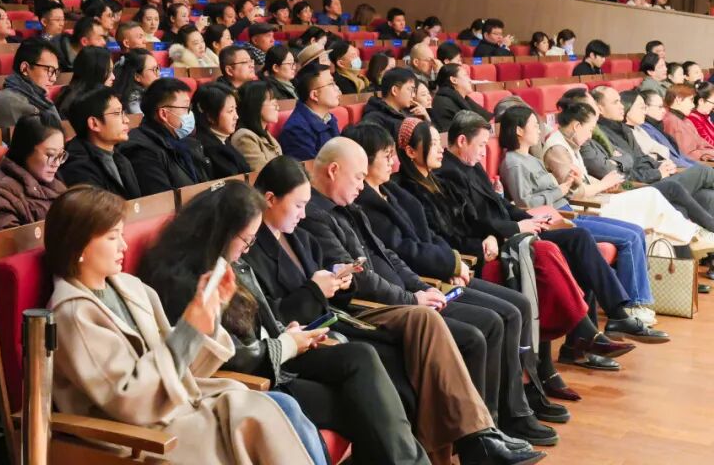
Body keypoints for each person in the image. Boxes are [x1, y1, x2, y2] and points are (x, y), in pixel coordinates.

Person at [247, 153, 543, 464]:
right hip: (310, 337)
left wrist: (341, 282)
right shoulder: (255, 250)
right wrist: (319, 290)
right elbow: (272, 317)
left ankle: (475, 438)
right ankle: (463, 444)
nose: (303, 213)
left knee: (415, 357)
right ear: (270, 200)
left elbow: (382, 258)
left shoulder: (300, 236)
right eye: (297, 205)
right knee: (399, 363)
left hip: (338, 318)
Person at [140, 179, 431, 465]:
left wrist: (287, 332)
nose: (249, 248)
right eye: (246, 239)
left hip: (274, 355)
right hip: (254, 376)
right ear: (221, 231)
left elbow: (264, 317)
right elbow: (228, 356)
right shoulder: (184, 282)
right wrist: (286, 343)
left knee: (361, 355)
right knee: (363, 404)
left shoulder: (232, 262)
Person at [44, 185, 321, 465]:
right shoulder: (74, 313)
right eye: (112, 237)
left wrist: (207, 312)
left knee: (278, 407)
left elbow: (184, 368)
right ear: (78, 246)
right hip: (140, 435)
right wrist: (190, 327)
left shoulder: (130, 287)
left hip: (175, 408)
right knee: (265, 415)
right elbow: (128, 401)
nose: (123, 246)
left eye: (122, 235)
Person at [346, 123, 562, 444]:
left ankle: (519, 403)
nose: (393, 162)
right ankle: (494, 423)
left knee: (518, 305)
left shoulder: (392, 191)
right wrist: (450, 263)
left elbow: (430, 236)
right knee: (495, 320)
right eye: (386, 156)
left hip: (439, 272)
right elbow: (403, 251)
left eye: (393, 155)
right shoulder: (366, 203)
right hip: (421, 282)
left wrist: (455, 260)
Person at [435, 112, 660, 357]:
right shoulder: (449, 173)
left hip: (509, 232)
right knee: (578, 241)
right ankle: (606, 323)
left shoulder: (471, 166)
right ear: (462, 141)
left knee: (580, 243)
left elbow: (503, 206)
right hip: (498, 242)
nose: (483, 152)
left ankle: (596, 331)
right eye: (480, 145)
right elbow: (472, 221)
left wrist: (529, 219)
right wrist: (517, 228)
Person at [498, 105, 660, 327]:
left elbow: (551, 191)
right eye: (534, 125)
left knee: (637, 231)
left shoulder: (532, 158)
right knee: (629, 238)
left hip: (567, 209)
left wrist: (569, 184)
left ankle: (637, 301)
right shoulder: (513, 163)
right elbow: (524, 203)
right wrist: (559, 190)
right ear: (518, 130)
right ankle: (633, 304)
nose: (539, 130)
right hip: (558, 219)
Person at [547, 98, 714, 253]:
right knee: (667, 191)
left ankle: (695, 239)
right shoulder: (564, 148)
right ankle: (695, 234)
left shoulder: (611, 133)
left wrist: (607, 179)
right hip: (604, 197)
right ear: (577, 126)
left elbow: (629, 159)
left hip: (616, 188)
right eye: (590, 129)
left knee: (693, 196)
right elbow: (578, 189)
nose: (591, 135)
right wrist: (604, 183)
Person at [582, 86, 714, 233]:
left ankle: (708, 241)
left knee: (705, 195)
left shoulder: (624, 129)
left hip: (648, 179)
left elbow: (639, 158)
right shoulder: (598, 136)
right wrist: (657, 173)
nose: (621, 106)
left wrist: (660, 166)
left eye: (620, 101)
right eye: (615, 102)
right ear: (599, 108)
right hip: (633, 187)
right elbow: (620, 174)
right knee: (703, 171)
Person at [0, 114, 66, 232]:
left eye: (60, 155)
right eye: (50, 155)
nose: (57, 163)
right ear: (26, 149)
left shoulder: (50, 179)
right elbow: (11, 243)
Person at [120, 78, 209, 195]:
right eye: (186, 108)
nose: (190, 114)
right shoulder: (142, 151)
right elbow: (162, 199)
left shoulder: (184, 143)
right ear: (163, 114)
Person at [61, 86, 141, 199]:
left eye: (123, 113)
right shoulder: (78, 169)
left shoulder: (120, 158)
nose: (126, 120)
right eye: (117, 113)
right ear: (94, 124)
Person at [0, 39, 61, 128]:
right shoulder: (9, 102)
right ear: (25, 68)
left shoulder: (40, 99)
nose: (53, 78)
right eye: (49, 70)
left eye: (55, 72)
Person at [277, 63, 340, 161]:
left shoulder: (328, 118)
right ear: (314, 95)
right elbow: (310, 167)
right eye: (331, 84)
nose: (337, 88)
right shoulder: (296, 130)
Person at [190, 83, 250, 179]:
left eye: (235, 109)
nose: (236, 116)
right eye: (230, 111)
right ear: (210, 116)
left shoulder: (222, 140)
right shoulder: (208, 148)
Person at [361, 68, 430, 138]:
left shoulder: (407, 113)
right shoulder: (374, 119)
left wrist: (427, 118)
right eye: (411, 90)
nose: (414, 95)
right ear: (394, 90)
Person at [53, 46, 112, 117]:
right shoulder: (82, 104)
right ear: (94, 72)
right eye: (109, 71)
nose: (113, 77)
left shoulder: (72, 93)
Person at [660, 84, 714, 161]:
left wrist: (708, 152)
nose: (693, 105)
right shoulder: (672, 122)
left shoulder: (684, 120)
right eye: (691, 100)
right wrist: (707, 153)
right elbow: (686, 155)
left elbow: (702, 143)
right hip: (693, 164)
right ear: (678, 99)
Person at [432, 63, 491, 133]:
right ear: (454, 80)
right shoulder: (442, 102)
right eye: (465, 75)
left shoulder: (462, 98)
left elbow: (487, 118)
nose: (470, 80)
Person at [112, 48, 160, 116]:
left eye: (158, 68)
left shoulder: (150, 94)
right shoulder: (133, 101)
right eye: (154, 69)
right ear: (137, 76)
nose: (158, 74)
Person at [686, 81, 714, 146]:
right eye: (713, 103)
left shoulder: (704, 116)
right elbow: (707, 143)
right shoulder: (693, 119)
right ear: (701, 101)